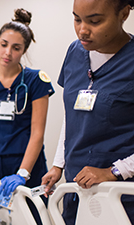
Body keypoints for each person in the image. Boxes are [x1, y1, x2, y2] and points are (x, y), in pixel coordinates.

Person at [41, 0, 134, 224]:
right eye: (76, 19)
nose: (82, 30)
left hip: (121, 196)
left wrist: (115, 171)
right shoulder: (75, 52)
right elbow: (73, 116)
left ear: (123, 14)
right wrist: (58, 164)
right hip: (77, 188)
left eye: (94, 21)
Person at [0, 8, 54, 224]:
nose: (8, 53)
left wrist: (23, 173)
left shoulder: (36, 81)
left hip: (28, 165)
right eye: (4, 45)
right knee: (2, 219)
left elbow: (37, 132)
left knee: (35, 219)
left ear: (24, 50)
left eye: (16, 48)